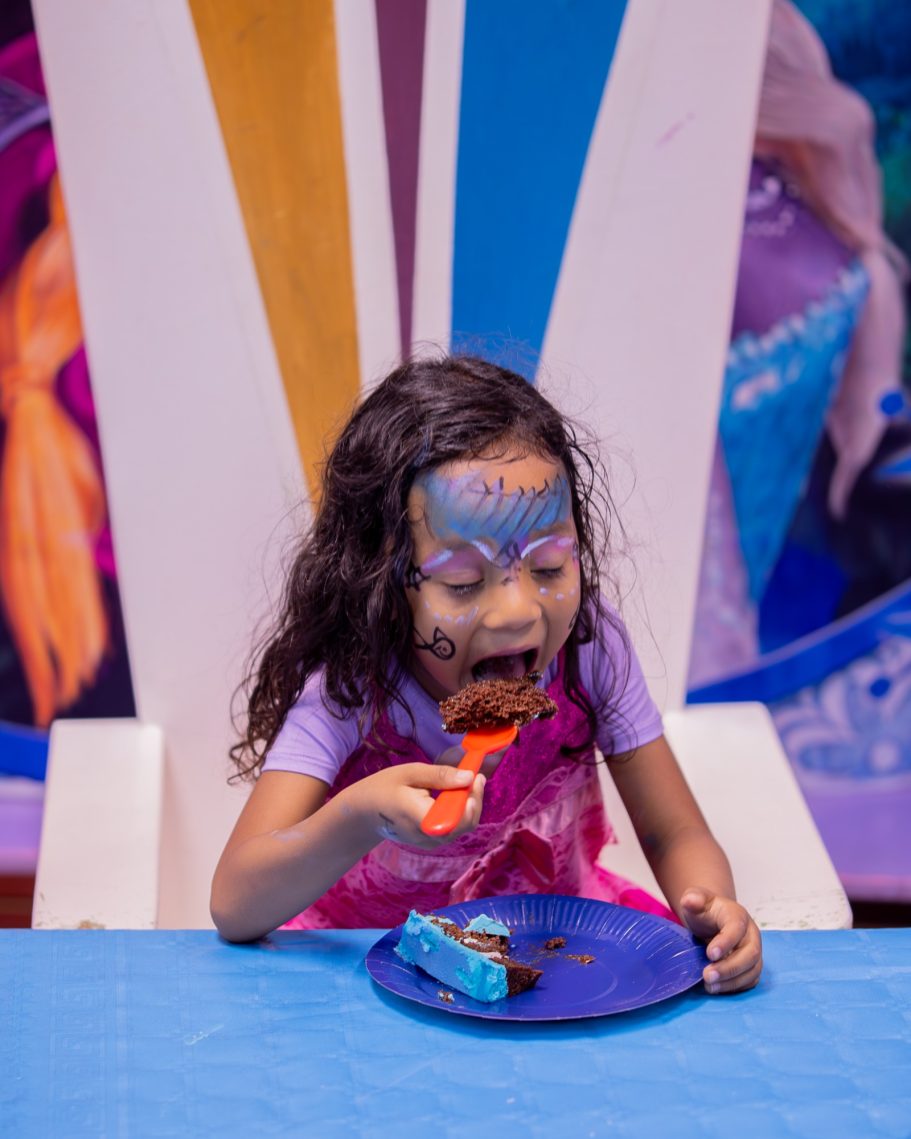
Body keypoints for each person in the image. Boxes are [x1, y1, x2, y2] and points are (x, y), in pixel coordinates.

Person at [211, 354, 762, 994]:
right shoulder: (353, 689)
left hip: (557, 970)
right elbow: (234, 902)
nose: (518, 609)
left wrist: (714, 910)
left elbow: (675, 831)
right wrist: (361, 817)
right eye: (464, 581)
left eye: (551, 567)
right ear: (383, 587)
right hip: (369, 987)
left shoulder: (589, 650)